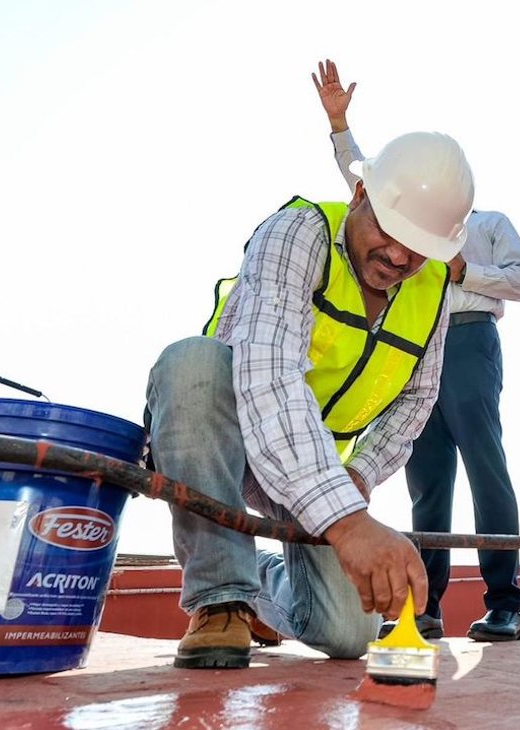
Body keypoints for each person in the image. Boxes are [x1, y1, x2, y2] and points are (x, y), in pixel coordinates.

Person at [146, 129, 475, 669]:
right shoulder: (298, 233)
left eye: (418, 249)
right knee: (192, 364)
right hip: (224, 437)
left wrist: (360, 475)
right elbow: (269, 374)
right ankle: (221, 598)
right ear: (360, 195)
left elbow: (416, 401)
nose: (397, 256)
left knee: (348, 634)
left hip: (313, 464)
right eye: (389, 232)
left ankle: (261, 585)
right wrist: (346, 523)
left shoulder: (432, 289)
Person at [312, 59, 520, 642]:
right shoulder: (400, 217)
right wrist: (340, 124)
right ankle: (427, 606)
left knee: (485, 465)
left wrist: (466, 268)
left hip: (467, 340)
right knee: (426, 478)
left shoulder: (489, 225)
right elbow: (367, 183)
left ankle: (505, 600)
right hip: (411, 348)